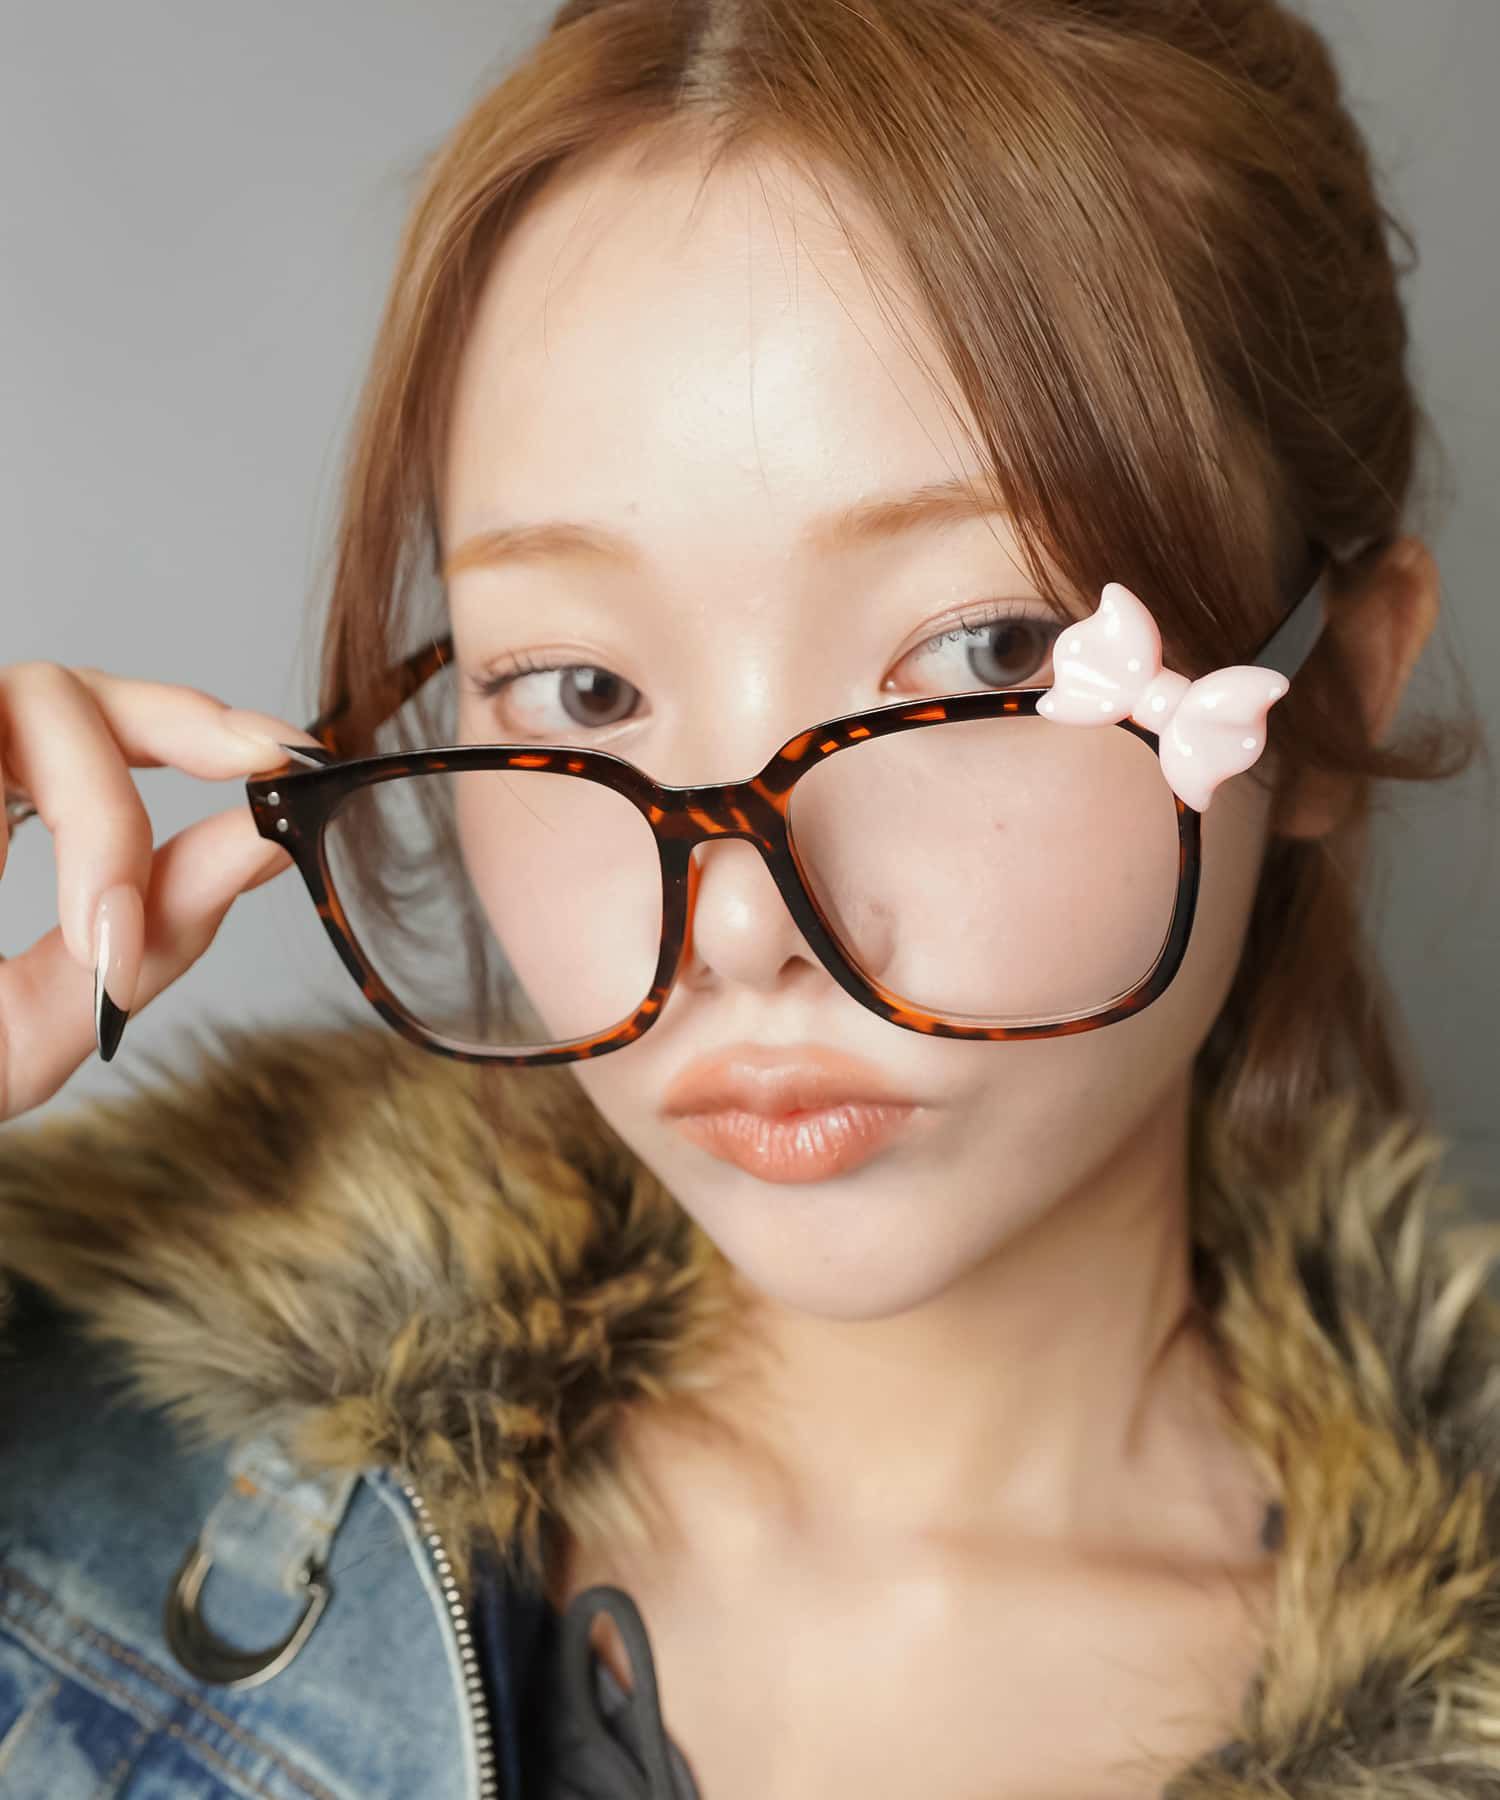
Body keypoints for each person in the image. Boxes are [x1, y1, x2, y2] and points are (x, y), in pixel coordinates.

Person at [0, 1, 1495, 1795]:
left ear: (1333, 697)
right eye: (584, 689)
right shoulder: (73, 1481)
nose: (736, 929)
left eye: (986, 652)